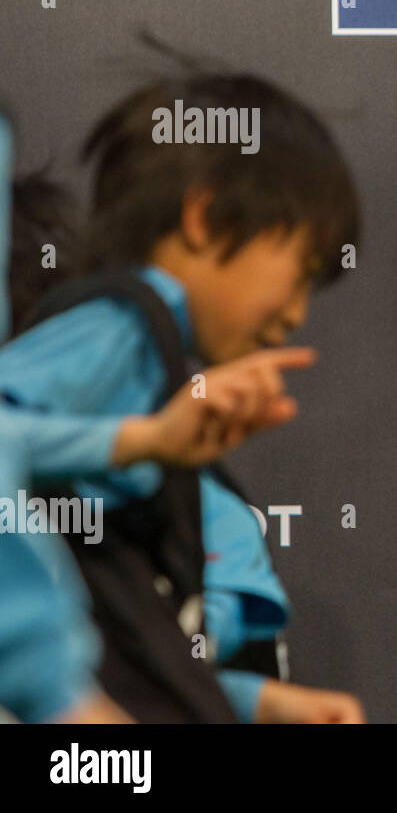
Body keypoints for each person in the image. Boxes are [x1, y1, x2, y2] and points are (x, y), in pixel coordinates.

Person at [0, 73, 366, 723]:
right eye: (302, 273)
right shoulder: (120, 327)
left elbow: (122, 644)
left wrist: (257, 702)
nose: (296, 315)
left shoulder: (146, 350)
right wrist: (142, 441)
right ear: (205, 216)